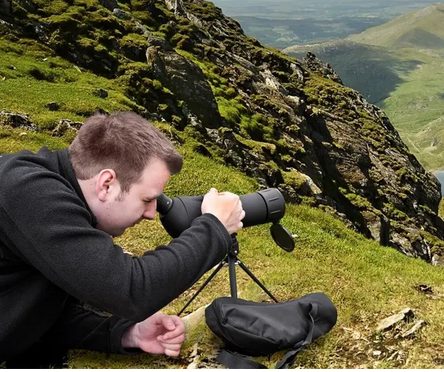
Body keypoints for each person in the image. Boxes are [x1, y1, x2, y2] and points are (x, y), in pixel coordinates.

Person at [0, 111, 245, 367]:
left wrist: (127, 333)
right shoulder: (25, 189)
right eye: (147, 199)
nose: (151, 214)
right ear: (106, 184)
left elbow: (41, 314)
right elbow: (130, 290)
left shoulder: (53, 197)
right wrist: (214, 228)